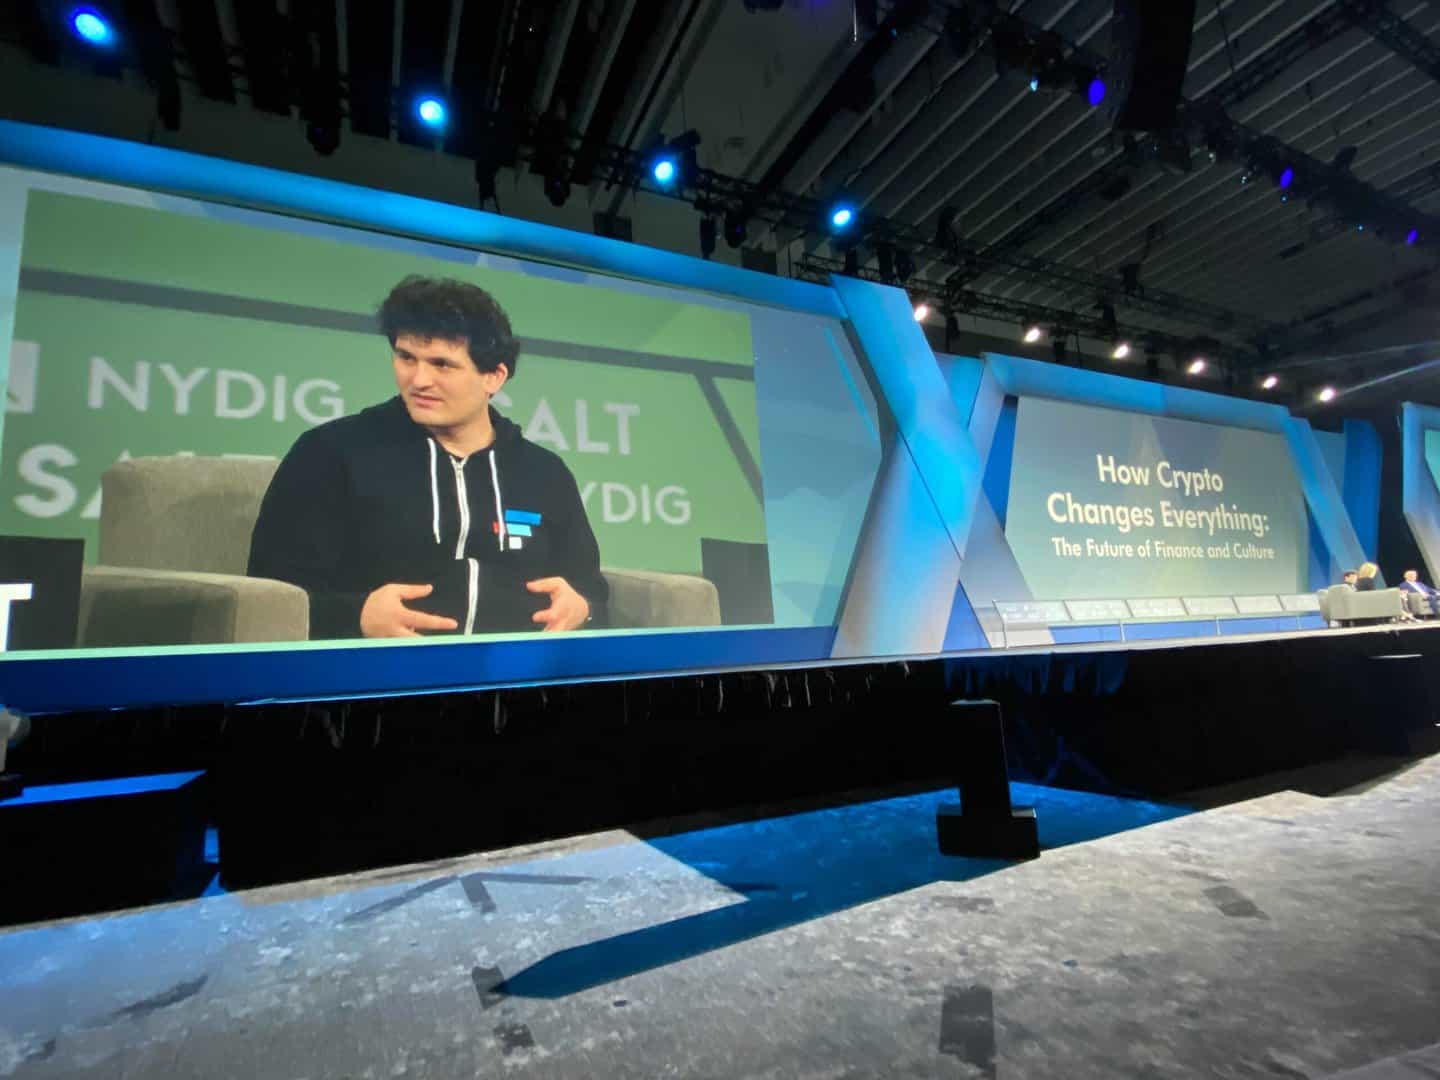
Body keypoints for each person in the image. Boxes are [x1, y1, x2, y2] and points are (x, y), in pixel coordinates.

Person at [249, 276, 608, 639]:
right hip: (373, 668)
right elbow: (271, 596)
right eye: (406, 357)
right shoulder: (330, 452)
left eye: (441, 364)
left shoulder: (545, 473)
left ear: (494, 377)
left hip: (520, 670)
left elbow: (590, 590)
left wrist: (582, 608)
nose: (419, 380)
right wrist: (356, 617)